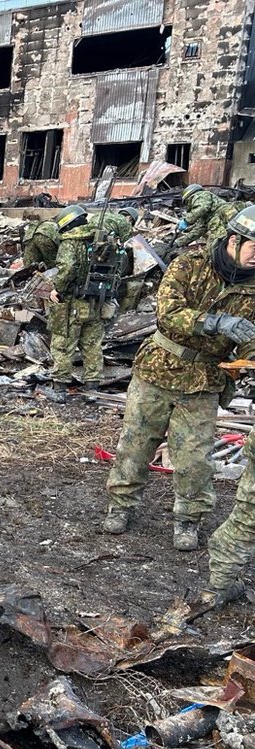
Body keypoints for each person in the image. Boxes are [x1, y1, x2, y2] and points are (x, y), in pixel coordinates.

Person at [104, 205, 255, 551]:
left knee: (194, 457)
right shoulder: (190, 264)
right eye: (254, 248)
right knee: (136, 443)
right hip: (158, 368)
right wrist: (215, 322)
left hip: (204, 380)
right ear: (234, 240)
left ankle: (189, 519)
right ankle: (120, 505)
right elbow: (168, 314)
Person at [45, 206, 106, 389]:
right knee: (92, 345)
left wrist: (57, 289)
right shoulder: (101, 240)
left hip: (73, 302)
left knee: (63, 343)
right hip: (97, 301)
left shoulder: (70, 243)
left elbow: (68, 268)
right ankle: (92, 386)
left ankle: (59, 387)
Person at [174, 184, 223, 251]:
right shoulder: (206, 215)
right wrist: (179, 242)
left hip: (227, 217)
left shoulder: (201, 195)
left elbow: (202, 208)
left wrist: (186, 220)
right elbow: (199, 230)